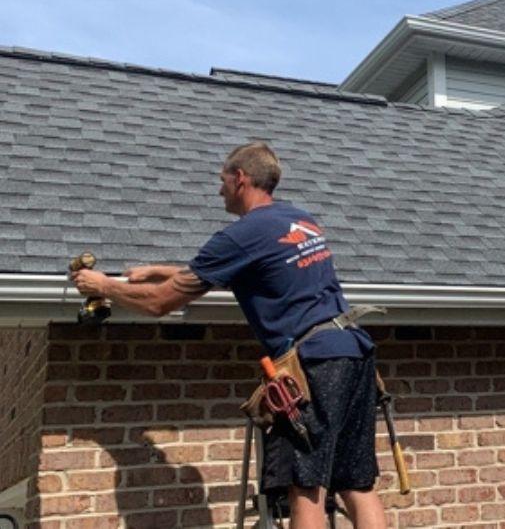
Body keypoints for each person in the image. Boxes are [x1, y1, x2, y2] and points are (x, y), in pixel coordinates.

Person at [72, 141, 387, 529]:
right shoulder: (298, 219)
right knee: (357, 484)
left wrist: (102, 285)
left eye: (222, 180)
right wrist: (160, 270)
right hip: (354, 351)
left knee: (306, 486)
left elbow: (159, 303)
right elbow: (253, 272)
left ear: (240, 178)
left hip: (316, 364)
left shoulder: (242, 234)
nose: (219, 189)